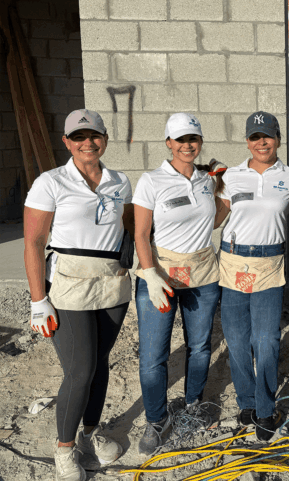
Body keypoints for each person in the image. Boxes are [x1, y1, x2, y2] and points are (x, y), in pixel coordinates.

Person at [24, 109, 131, 481]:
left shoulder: (119, 181)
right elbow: (34, 242)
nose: (88, 142)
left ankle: (89, 434)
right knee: (80, 369)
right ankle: (65, 449)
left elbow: (130, 227)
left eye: (94, 135)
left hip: (111, 283)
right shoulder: (51, 182)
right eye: (79, 137)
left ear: (104, 139)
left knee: (99, 362)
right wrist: (39, 299)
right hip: (69, 283)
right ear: (67, 142)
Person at [132, 113, 222, 455]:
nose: (187, 145)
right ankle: (156, 420)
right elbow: (141, 234)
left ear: (200, 142)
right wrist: (150, 273)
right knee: (153, 356)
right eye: (180, 140)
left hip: (202, 275)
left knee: (199, 347)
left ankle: (193, 404)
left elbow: (214, 220)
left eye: (193, 139)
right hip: (162, 276)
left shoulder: (205, 179)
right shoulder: (152, 180)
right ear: (169, 143)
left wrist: (223, 185)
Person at [213, 112, 289, 442]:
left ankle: (265, 409)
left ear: (278, 139)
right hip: (234, 261)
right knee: (236, 338)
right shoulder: (231, 176)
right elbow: (216, 218)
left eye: (268, 136)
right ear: (247, 141)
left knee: (266, 340)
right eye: (255, 137)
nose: (262, 142)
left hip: (270, 264)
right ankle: (246, 402)